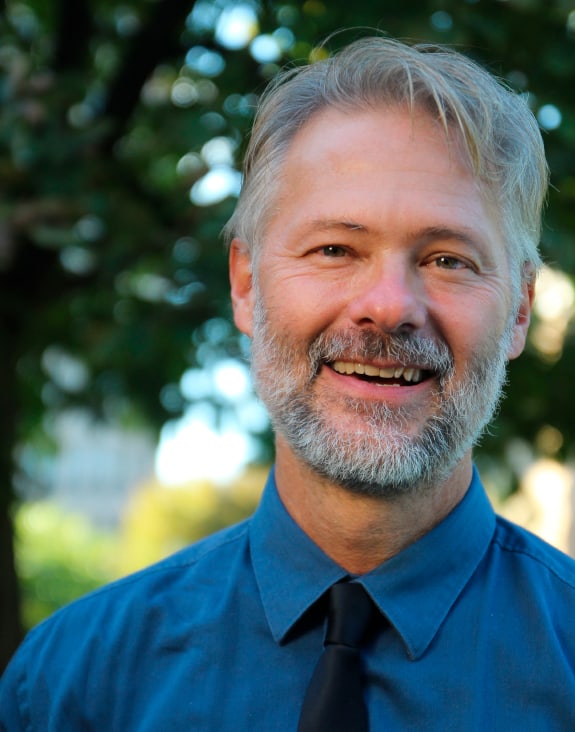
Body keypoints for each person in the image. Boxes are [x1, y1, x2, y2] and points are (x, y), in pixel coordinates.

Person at [1, 35, 575, 731]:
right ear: (245, 284)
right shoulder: (72, 684)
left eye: (448, 259)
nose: (389, 305)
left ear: (517, 310)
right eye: (335, 248)